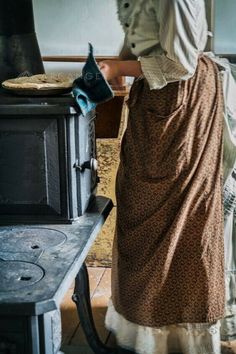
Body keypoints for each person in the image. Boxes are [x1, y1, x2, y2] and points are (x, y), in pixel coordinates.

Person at [98, 1, 226, 353]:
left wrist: (115, 67)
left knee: (181, 222)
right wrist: (121, 61)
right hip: (154, 100)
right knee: (140, 210)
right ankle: (142, 326)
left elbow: (180, 64)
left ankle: (178, 335)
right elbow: (141, 34)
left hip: (181, 104)